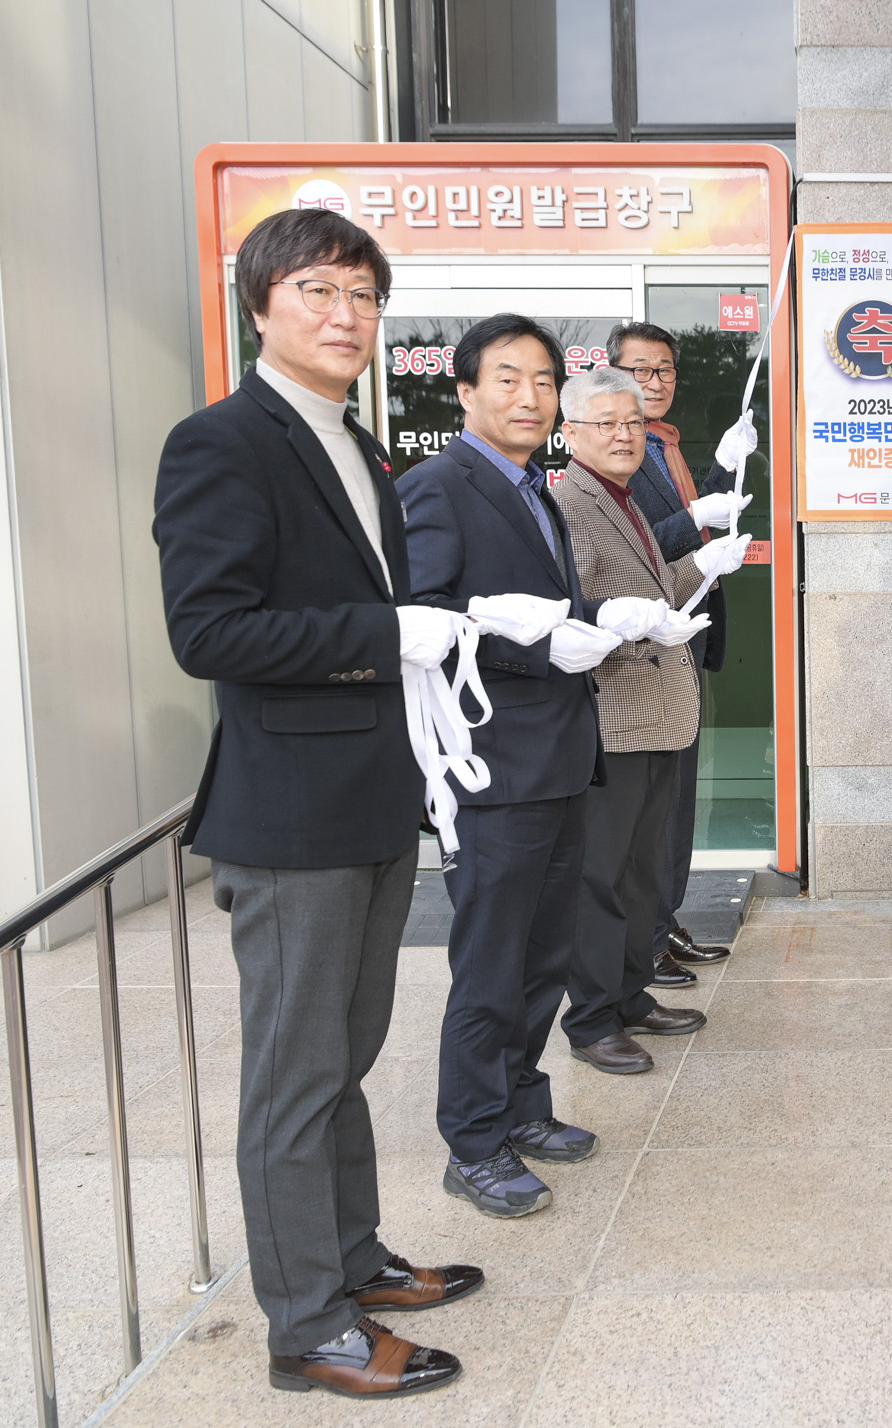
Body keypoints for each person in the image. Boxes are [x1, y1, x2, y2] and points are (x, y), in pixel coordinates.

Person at [152, 208, 474, 1398]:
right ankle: (307, 1327)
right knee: (294, 1080)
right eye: (317, 292)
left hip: (370, 800)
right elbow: (210, 633)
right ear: (259, 305)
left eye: (363, 296)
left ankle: (350, 1260)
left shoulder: (356, 442)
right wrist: (383, 634)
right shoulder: (222, 442)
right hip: (290, 819)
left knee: (344, 1058)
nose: (347, 316)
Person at [400, 313, 628, 1218]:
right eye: (507, 378)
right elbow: (424, 622)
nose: (529, 396)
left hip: (560, 759)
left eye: (543, 380)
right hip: (491, 767)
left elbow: (535, 608)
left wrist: (600, 626)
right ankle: (473, 1141)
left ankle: (522, 1106)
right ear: (464, 391)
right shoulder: (437, 487)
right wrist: (539, 648)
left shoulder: (537, 488)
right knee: (492, 964)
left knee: (543, 955)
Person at [550, 365, 748, 1073]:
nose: (624, 435)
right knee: (601, 877)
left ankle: (631, 996)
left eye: (633, 423)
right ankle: (591, 1018)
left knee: (640, 873)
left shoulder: (624, 497)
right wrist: (621, 619)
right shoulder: (571, 502)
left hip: (659, 717)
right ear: (570, 433)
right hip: (614, 719)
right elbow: (571, 606)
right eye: (606, 423)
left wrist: (706, 563)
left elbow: (656, 589)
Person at [607, 320, 749, 980]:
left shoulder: (664, 445)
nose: (654, 381)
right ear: (612, 374)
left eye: (663, 369)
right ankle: (644, 939)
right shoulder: (619, 451)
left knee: (676, 798)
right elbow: (641, 544)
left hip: (683, 636)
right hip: (643, 646)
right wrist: (695, 520)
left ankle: (662, 922)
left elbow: (699, 517)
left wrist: (724, 465)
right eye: (639, 369)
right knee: (651, 807)